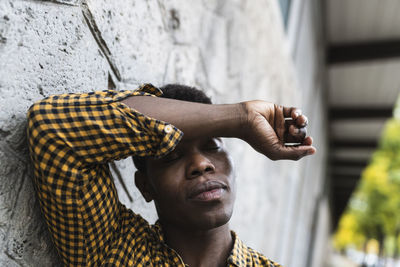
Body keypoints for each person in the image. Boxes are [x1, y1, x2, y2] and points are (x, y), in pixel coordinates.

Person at [27, 83, 316, 267]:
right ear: (145, 186)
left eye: (213, 146)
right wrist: (239, 118)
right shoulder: (113, 249)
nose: (201, 165)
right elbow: (50, 128)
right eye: (172, 157)